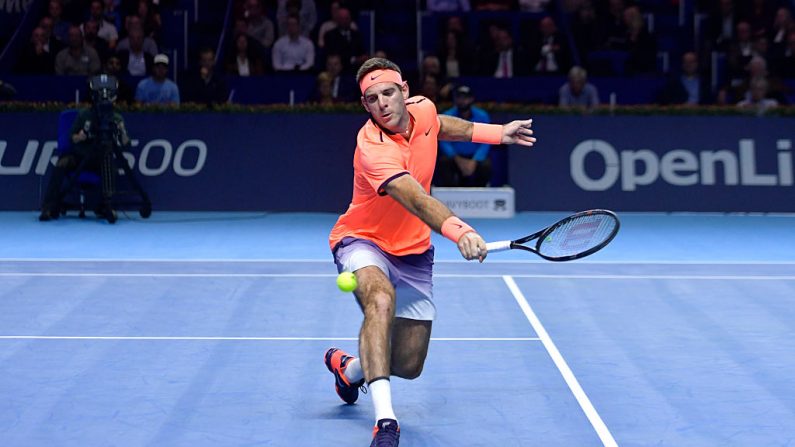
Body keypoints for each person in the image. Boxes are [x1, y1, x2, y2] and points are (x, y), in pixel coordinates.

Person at [324, 57, 536, 447]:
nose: (383, 103)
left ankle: (350, 370)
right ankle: (386, 423)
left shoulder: (423, 109)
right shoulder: (372, 147)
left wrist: (497, 134)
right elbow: (417, 200)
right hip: (362, 238)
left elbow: (440, 125)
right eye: (372, 98)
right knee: (379, 301)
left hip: (414, 251)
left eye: (388, 93)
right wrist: (461, 231)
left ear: (404, 91)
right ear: (365, 106)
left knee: (408, 364)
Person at [39, 75, 130, 221]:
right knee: (62, 163)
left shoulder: (116, 118)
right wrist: (80, 137)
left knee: (111, 168)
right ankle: (49, 207)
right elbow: (71, 137)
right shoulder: (84, 115)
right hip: (79, 156)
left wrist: (122, 132)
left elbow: (125, 143)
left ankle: (104, 207)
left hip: (100, 158)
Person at [434, 85, 494, 187]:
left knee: (485, 165)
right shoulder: (447, 115)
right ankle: (449, 196)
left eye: (465, 98)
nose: (462, 101)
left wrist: (475, 160)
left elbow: (486, 141)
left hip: (474, 157)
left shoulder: (482, 116)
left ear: (471, 99)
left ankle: (481, 195)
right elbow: (443, 140)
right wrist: (457, 158)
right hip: (454, 156)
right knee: (444, 162)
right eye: (459, 97)